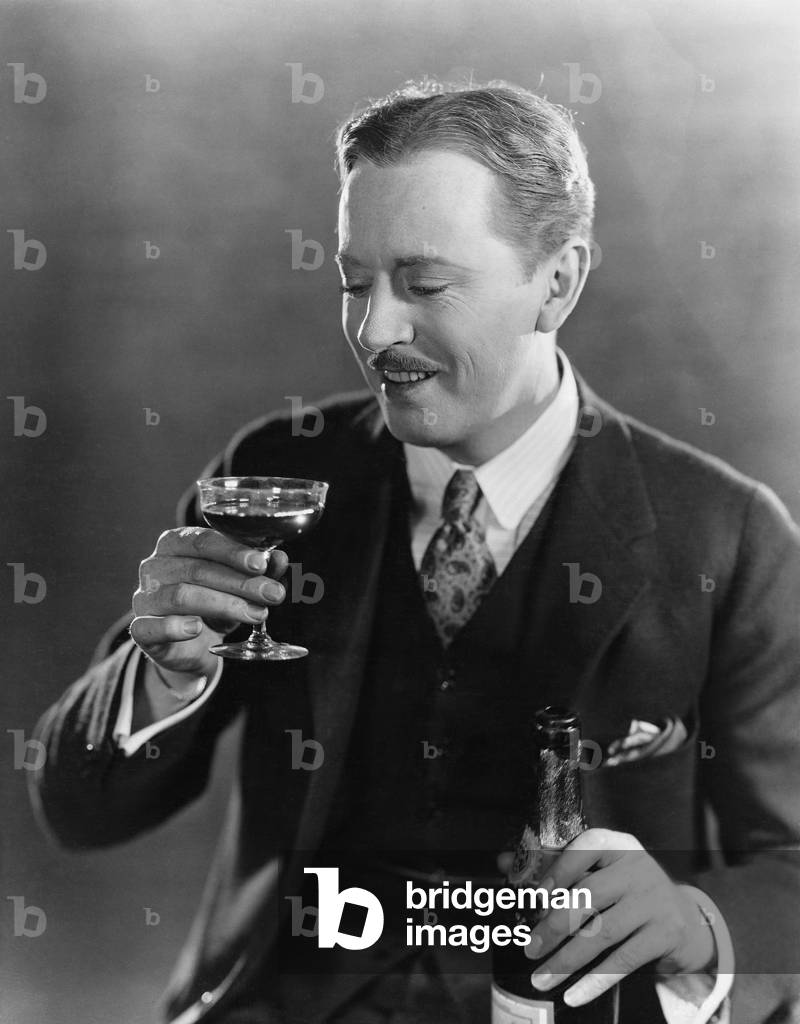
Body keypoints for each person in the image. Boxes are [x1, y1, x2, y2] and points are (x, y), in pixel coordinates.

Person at [30, 79, 800, 1024]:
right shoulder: (278, 474)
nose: (375, 330)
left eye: (425, 285)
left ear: (558, 280)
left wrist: (693, 922)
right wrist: (162, 681)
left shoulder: (728, 533)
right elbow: (79, 813)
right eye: (355, 282)